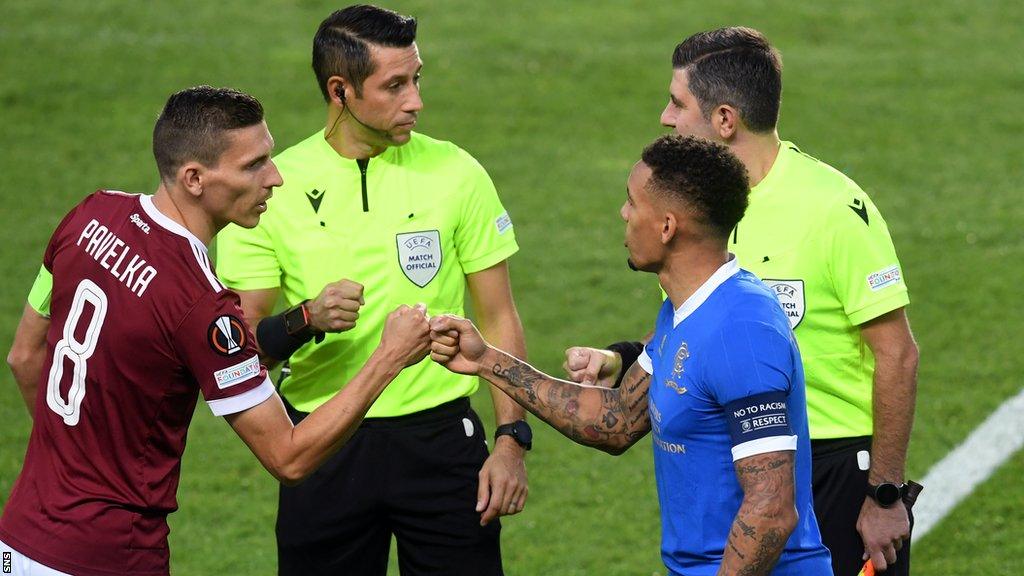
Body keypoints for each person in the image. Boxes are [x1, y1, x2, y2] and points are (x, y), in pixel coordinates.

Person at [0, 86, 431, 576]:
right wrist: (389, 358)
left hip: (18, 540)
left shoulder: (89, 215)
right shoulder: (203, 307)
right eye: (254, 165)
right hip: (109, 556)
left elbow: (23, 356)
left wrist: (74, 462)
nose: (276, 178)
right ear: (195, 178)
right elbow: (288, 458)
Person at [564, 27, 920, 576]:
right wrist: (622, 359)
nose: (665, 116)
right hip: (736, 459)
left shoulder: (831, 210)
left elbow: (897, 354)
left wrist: (886, 495)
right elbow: (699, 332)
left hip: (831, 469)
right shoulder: (701, 209)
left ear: (725, 119)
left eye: (678, 102)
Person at [214, 5, 528, 575]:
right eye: (395, 86)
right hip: (321, 440)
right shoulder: (273, 189)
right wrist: (305, 318)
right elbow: (241, 350)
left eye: (417, 79)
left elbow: (500, 317)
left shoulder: (456, 173)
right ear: (341, 90)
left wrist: (511, 441)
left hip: (442, 442)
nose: (416, 101)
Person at [431, 135, 832, 575]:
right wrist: (486, 359)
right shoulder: (683, 312)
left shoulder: (743, 331)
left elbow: (770, 510)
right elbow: (618, 421)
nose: (623, 213)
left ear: (666, 226)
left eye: (632, 203)